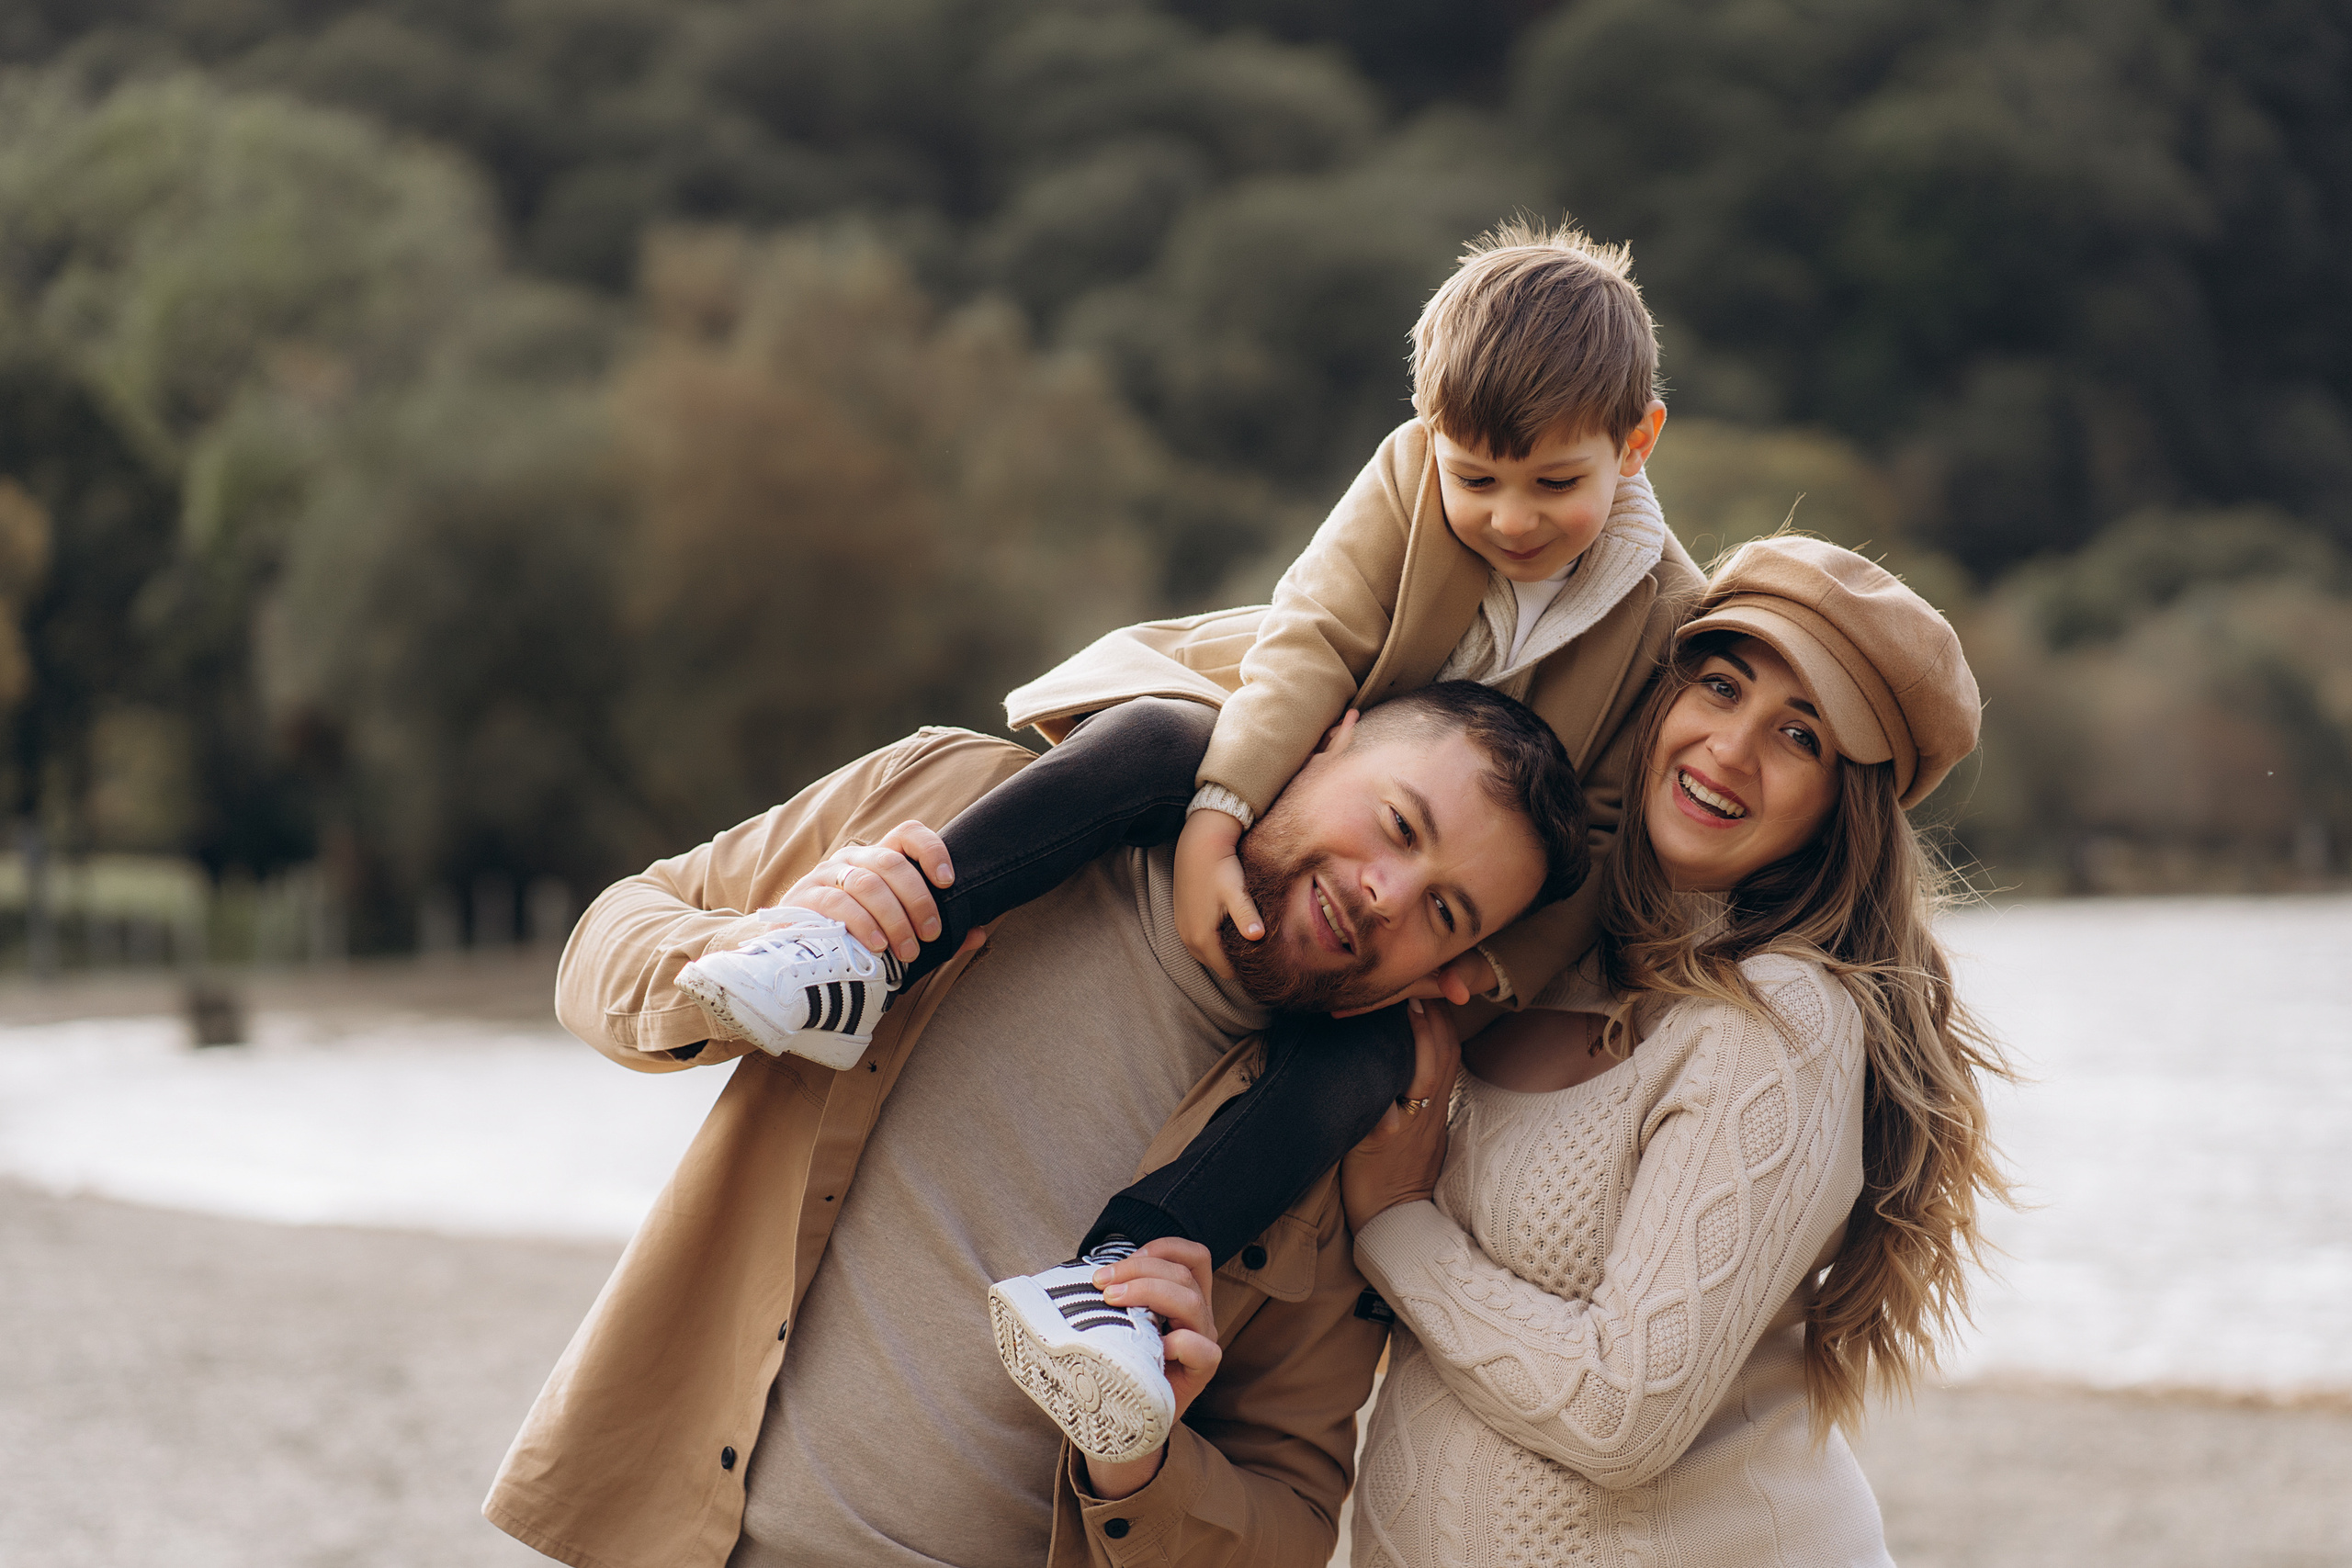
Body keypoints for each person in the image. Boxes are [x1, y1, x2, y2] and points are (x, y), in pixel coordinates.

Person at [672, 219, 1702, 1458]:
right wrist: (1220, 816)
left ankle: (1114, 1276)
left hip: (1453, 887)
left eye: (1556, 485)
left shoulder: (1665, 617)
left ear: (1636, 440)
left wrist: (1481, 972)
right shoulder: (1402, 481)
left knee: (1368, 1055)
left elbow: (1601, 837)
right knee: (1158, 741)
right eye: (1476, 480)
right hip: (1288, 748)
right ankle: (866, 948)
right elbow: (1310, 638)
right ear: (1432, 432)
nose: (1511, 519)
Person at [483, 681, 1582, 1568]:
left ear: (1450, 969)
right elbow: (606, 943)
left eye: (1444, 910)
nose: (1388, 893)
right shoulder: (957, 804)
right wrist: (770, 933)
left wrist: (1143, 1472)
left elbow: (1290, 1522)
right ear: (1320, 739)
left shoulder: (1338, 1141)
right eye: (1397, 823)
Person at [1339, 536, 2012, 1566]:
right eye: (1719, 684)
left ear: (1847, 802)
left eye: (1799, 736)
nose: (1729, 751)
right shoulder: (1526, 947)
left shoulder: (1780, 1018)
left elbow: (1623, 1413)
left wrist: (1394, 1223)